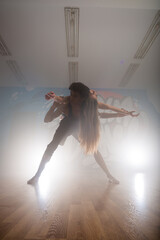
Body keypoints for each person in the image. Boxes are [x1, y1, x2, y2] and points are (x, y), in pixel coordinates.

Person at [27, 82, 139, 185]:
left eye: (75, 96)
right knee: (51, 146)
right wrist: (53, 105)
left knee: (94, 150)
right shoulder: (66, 105)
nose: (71, 97)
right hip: (66, 125)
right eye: (71, 94)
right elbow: (47, 119)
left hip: (78, 128)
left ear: (83, 98)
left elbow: (108, 108)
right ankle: (37, 176)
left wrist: (126, 113)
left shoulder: (90, 105)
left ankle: (109, 175)